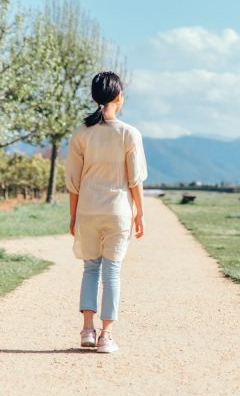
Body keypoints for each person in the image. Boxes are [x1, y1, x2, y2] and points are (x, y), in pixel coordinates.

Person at [65, 71, 148, 354]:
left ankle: (87, 329)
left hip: (88, 210)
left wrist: (73, 216)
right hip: (118, 212)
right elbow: (135, 180)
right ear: (118, 97)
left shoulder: (81, 133)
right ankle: (106, 336)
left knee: (90, 269)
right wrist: (140, 214)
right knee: (112, 272)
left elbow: (73, 183)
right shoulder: (129, 133)